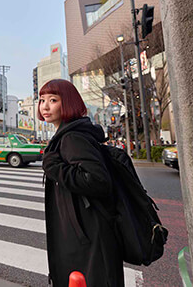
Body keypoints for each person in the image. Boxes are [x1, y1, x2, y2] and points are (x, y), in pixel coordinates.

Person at [39, 79, 123, 287]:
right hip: (84, 231)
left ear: (67, 103)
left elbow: (98, 181)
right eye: (41, 100)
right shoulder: (67, 134)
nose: (45, 106)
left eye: (53, 100)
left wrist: (54, 167)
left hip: (88, 235)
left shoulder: (72, 137)